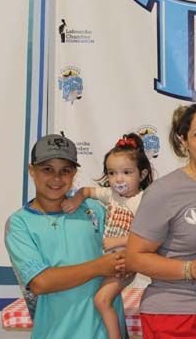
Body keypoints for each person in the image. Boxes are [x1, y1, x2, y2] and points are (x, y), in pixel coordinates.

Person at [126, 103, 196, 339]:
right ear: (184, 140)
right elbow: (134, 257)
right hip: (177, 313)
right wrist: (188, 269)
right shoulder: (164, 191)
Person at [4, 133, 126, 339]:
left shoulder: (94, 209)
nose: (57, 178)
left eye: (65, 170)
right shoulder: (19, 224)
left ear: (74, 173)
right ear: (32, 170)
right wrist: (99, 266)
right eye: (47, 169)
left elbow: (129, 253)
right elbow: (40, 282)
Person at [62, 133, 154, 339]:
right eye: (112, 173)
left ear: (142, 174)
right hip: (108, 261)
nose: (118, 179)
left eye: (126, 172)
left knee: (101, 300)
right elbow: (86, 191)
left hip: (125, 261)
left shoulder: (143, 200)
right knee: (95, 297)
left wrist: (117, 241)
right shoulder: (111, 195)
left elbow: (148, 238)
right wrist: (76, 200)